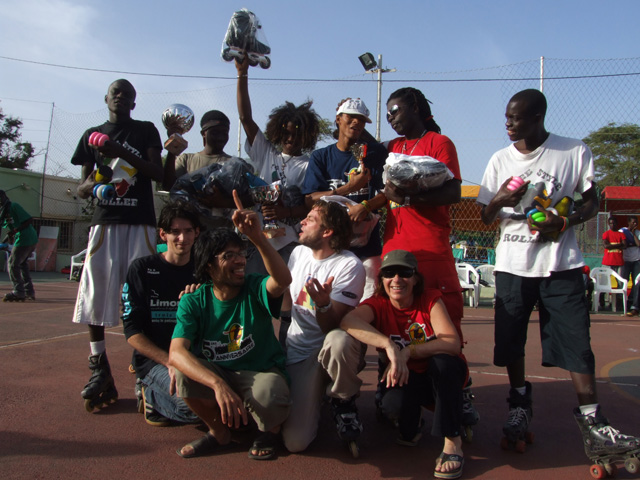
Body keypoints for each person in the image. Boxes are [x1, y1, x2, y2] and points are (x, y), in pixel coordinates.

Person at [477, 88, 639, 461]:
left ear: (537, 118)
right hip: (513, 265)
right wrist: (500, 199)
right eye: (506, 116)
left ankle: (593, 421)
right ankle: (519, 402)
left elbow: (591, 203)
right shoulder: (499, 159)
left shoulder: (573, 151)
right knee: (510, 341)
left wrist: (563, 221)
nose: (507, 123)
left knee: (577, 341)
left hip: (561, 265)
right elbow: (485, 217)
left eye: (515, 117)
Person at [352, 87, 475, 431]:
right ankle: (391, 387)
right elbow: (385, 191)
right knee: (391, 321)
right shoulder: (392, 147)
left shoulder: (439, 143)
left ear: (417, 108)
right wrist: (366, 205)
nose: (391, 118)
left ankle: (458, 395)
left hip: (430, 250)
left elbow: (452, 192)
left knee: (446, 326)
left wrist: (406, 196)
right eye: (387, 114)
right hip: (395, 248)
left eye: (396, 111)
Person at [169, 191, 292, 460]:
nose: (240, 261)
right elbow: (176, 352)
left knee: (270, 392)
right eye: (228, 256)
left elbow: (282, 280)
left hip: (259, 372)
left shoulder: (254, 286)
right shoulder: (194, 300)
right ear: (208, 266)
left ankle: (269, 431)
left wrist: (258, 238)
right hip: (221, 374)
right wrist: (217, 384)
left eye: (241, 254)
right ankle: (219, 433)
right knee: (183, 374)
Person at [71, 79, 164, 412]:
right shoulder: (91, 134)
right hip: (105, 223)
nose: (121, 97)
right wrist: (96, 186)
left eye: (127, 94)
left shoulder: (145, 130)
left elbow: (157, 173)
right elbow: (81, 187)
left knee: (144, 296)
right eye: (116, 92)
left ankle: (144, 369)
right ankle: (99, 368)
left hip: (141, 222)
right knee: (95, 292)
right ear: (106, 98)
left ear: (134, 103)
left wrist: (121, 152)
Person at [341, 250, 466, 479]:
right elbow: (348, 321)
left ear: (416, 278)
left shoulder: (429, 299)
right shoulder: (378, 304)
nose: (396, 279)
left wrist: (408, 351)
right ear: (382, 280)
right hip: (407, 377)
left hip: (437, 376)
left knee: (444, 363)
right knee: (394, 413)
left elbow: (452, 343)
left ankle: (452, 442)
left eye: (404, 273)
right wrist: (388, 345)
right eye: (389, 273)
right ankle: (414, 421)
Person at [236, 56, 322, 343]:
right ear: (278, 131)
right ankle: (248, 346)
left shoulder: (310, 164)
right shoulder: (265, 153)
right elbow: (246, 119)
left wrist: (287, 210)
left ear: (307, 136)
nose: (290, 138)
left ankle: (287, 347)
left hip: (291, 242)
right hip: (260, 239)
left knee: (290, 297)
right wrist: (242, 74)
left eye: (297, 134)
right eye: (285, 132)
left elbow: (312, 203)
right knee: (251, 294)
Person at [280, 199, 366, 453]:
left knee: (339, 341)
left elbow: (332, 326)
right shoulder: (298, 253)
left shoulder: (349, 265)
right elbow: (287, 301)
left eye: (310, 219)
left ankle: (343, 399)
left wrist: (324, 304)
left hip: (329, 346)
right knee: (295, 442)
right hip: (300, 351)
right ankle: (318, 392)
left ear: (327, 231)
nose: (302, 222)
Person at [122, 200, 202, 426]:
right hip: (156, 361)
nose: (182, 238)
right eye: (175, 232)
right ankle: (150, 394)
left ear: (196, 233)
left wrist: (199, 302)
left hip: (195, 357)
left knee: (223, 400)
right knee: (194, 409)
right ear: (163, 234)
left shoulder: (204, 271)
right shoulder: (141, 269)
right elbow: (132, 332)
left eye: (188, 231)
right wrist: (170, 362)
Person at [302, 97, 387, 300]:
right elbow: (309, 199)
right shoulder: (321, 157)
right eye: (351, 117)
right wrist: (349, 188)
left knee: (368, 304)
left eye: (362, 119)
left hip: (367, 247)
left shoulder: (373, 154)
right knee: (329, 302)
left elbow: (387, 193)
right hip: (330, 248)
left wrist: (365, 206)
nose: (357, 122)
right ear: (338, 119)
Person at [162, 110, 241, 229]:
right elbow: (168, 186)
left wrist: (222, 202)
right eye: (215, 132)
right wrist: (172, 147)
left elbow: (247, 198)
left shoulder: (234, 164)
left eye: (225, 133)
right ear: (203, 133)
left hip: (221, 234)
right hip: (190, 234)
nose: (220, 137)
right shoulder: (186, 159)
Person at [0, 189, 38, 302]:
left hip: (25, 238)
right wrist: (5, 241)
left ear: (4, 196)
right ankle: (29, 291)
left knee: (12, 264)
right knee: (22, 264)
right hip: (27, 239)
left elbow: (29, 220)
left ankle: (18, 291)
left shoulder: (14, 206)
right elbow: (11, 231)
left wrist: (15, 231)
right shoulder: (4, 212)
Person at [620, 215, 640, 316]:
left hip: (636, 261)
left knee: (636, 283)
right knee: (623, 281)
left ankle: (634, 305)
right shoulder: (622, 231)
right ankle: (622, 304)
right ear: (628, 223)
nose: (635, 224)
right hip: (625, 261)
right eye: (633, 222)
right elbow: (623, 244)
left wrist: (633, 234)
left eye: (636, 222)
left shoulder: (638, 233)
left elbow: (638, 244)